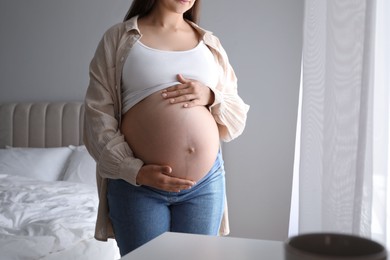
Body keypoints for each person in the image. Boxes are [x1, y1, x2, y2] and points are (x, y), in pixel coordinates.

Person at [83, 0, 249, 256]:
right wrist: (135, 171)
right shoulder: (119, 38)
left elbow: (236, 112)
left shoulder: (209, 44)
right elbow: (97, 116)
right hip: (139, 188)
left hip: (204, 185)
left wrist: (210, 96)